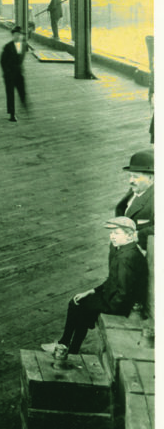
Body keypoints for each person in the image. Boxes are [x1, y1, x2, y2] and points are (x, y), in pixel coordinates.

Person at [40, 217, 148, 355]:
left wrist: (106, 307)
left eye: (116, 233)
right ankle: (68, 347)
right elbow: (113, 280)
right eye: (111, 233)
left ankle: (66, 346)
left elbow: (124, 292)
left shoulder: (126, 257)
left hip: (120, 306)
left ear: (129, 235)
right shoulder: (124, 250)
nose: (112, 236)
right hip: (113, 297)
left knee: (78, 306)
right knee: (78, 303)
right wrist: (92, 291)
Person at [115, 149, 154, 252]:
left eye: (135, 177)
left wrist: (137, 235)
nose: (130, 181)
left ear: (151, 178)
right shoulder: (138, 187)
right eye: (130, 176)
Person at [0, 25, 28, 122]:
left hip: (19, 73)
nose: (18, 37)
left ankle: (24, 104)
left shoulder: (24, 46)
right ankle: (12, 114)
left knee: (22, 91)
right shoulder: (8, 47)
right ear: (13, 36)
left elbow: (21, 59)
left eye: (19, 35)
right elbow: (2, 61)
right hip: (9, 74)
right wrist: (6, 72)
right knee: (10, 94)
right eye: (16, 35)